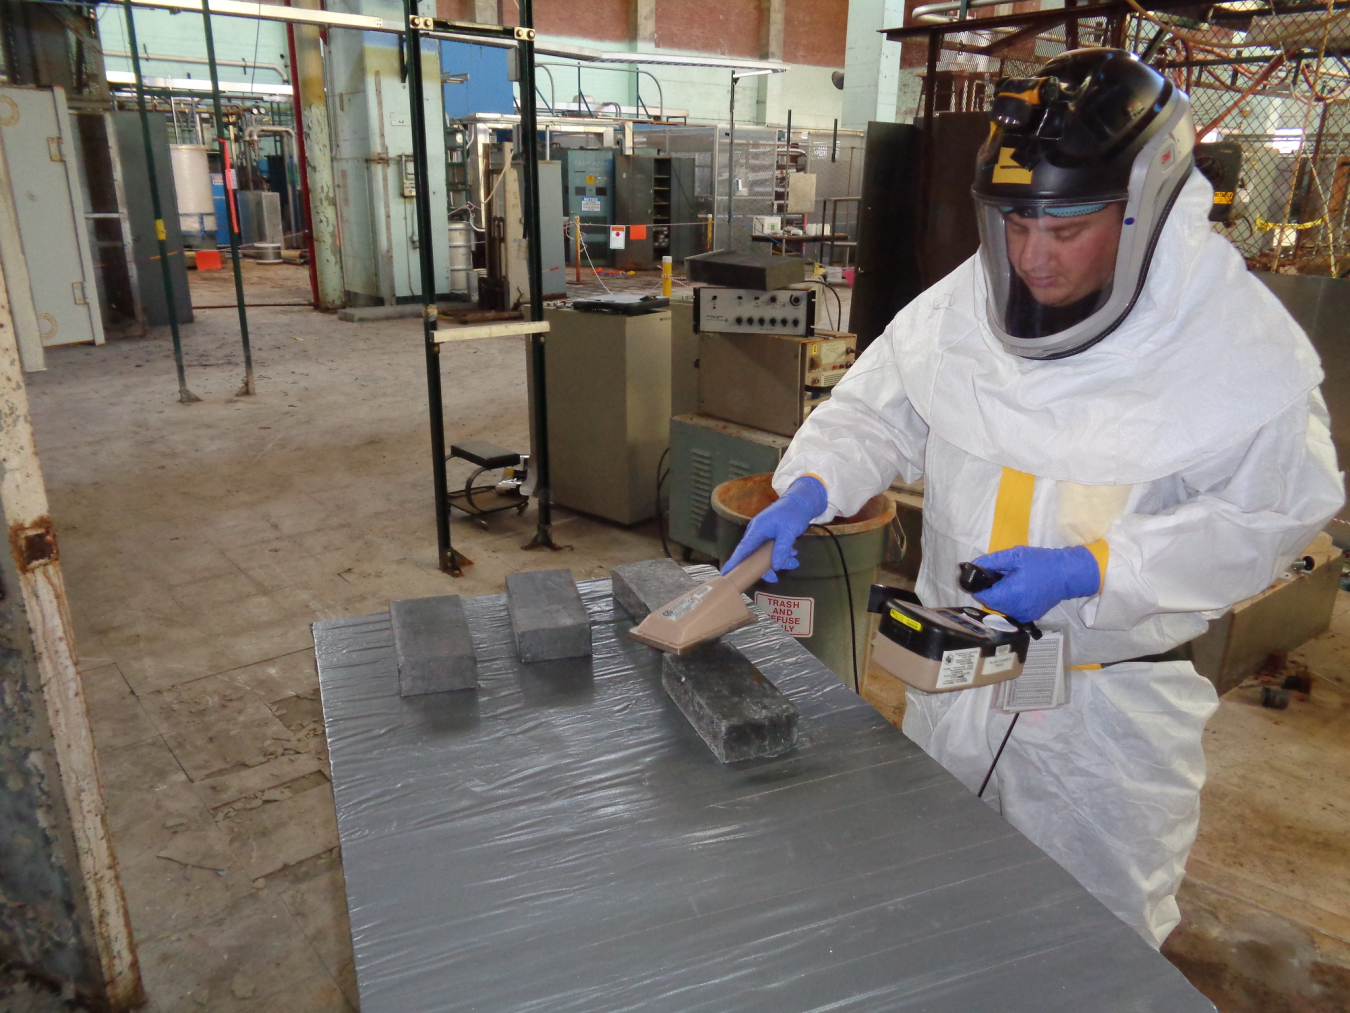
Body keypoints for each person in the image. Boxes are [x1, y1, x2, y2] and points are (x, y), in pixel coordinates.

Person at [721, 48, 1344, 947]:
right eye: (1015, 225)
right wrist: (810, 485)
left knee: (1090, 946)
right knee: (940, 909)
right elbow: (877, 410)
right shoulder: (967, 307)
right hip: (951, 682)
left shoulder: (1228, 344)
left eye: (1067, 229)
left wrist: (1096, 568)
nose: (1034, 257)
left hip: (1102, 721)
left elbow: (1272, 514)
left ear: (1146, 210)